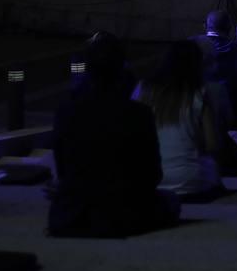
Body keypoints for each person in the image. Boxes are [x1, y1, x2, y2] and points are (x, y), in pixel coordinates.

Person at [48, 33, 181, 238]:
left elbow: (61, 167)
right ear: (122, 70)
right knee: (170, 200)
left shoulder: (65, 111)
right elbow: (152, 174)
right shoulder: (139, 114)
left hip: (73, 212)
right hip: (122, 211)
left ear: (87, 70)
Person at [132, 39, 225, 200]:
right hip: (191, 181)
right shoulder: (199, 93)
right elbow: (212, 145)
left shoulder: (143, 89)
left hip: (148, 177)